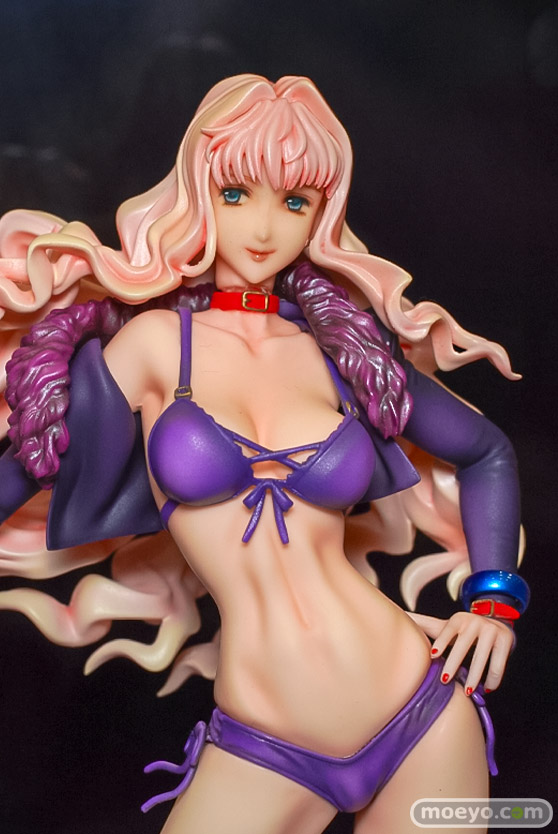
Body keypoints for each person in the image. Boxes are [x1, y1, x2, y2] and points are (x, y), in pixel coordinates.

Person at [0, 75, 527, 834]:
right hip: (266, 742)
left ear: (320, 216)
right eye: (237, 192)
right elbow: (26, 466)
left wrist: (494, 605)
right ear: (198, 194)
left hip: (420, 706)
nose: (264, 227)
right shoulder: (154, 347)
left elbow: (486, 450)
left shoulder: (341, 352)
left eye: (295, 202)